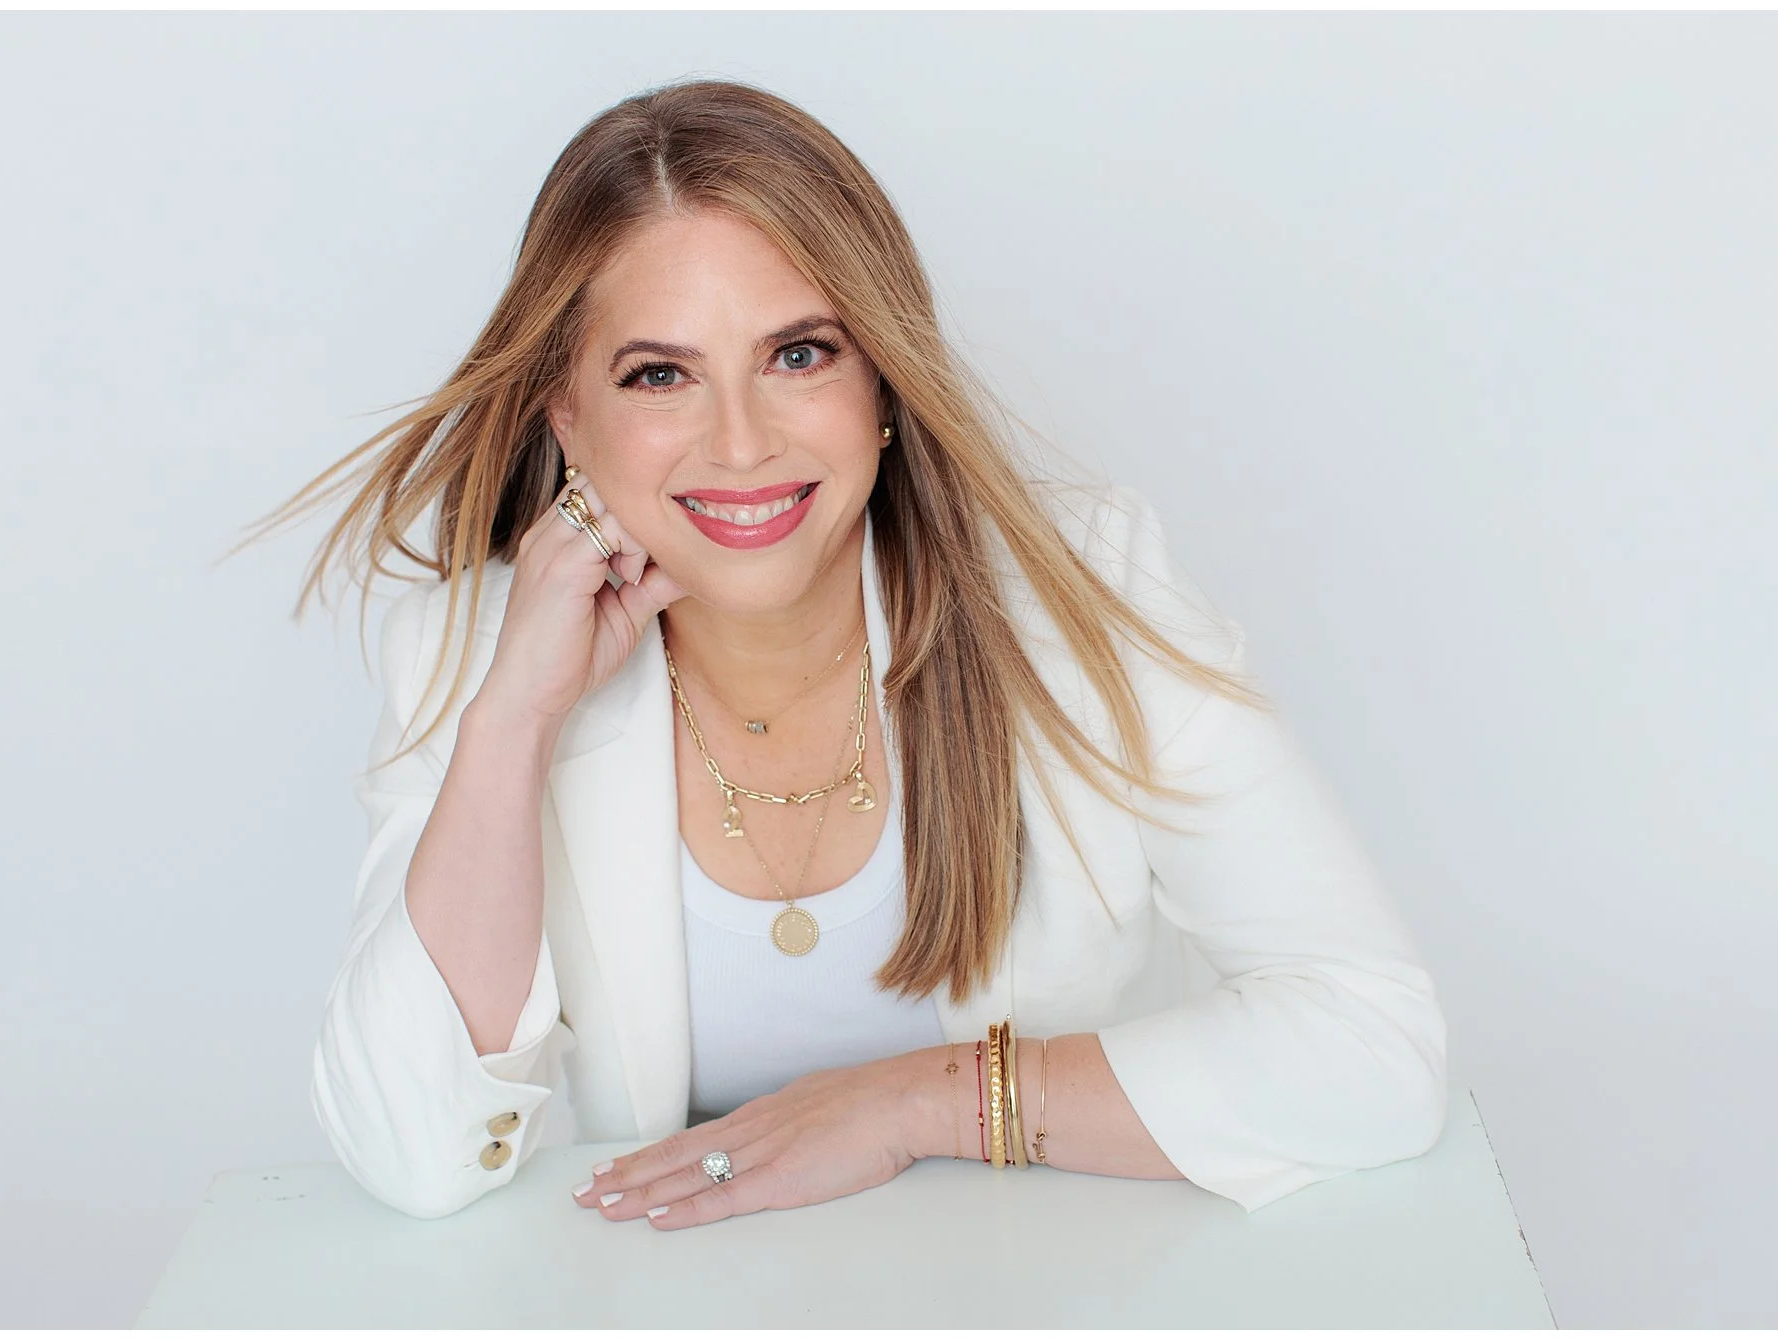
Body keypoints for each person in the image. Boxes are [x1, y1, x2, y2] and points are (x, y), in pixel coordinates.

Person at [246, 76, 1448, 1226]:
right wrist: (511, 719)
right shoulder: (473, 654)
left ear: (880, 375)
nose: (739, 442)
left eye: (797, 354)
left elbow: (1371, 1040)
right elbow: (412, 1148)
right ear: (569, 419)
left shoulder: (1080, 591)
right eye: (659, 374)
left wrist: (916, 1105)